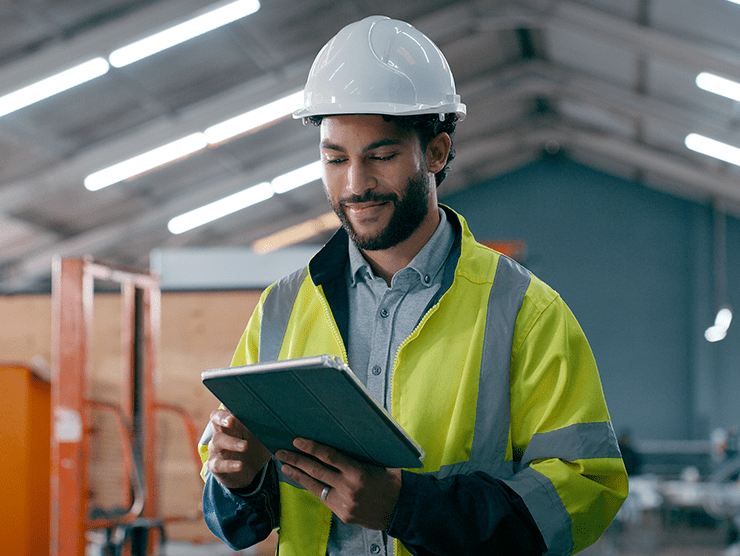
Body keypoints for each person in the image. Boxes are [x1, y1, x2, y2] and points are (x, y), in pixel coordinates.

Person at [198, 15, 628, 556]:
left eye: (380, 156)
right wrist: (239, 480)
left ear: (437, 152)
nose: (355, 185)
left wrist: (405, 507)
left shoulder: (524, 311)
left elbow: (584, 492)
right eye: (335, 159)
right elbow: (233, 521)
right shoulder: (282, 306)